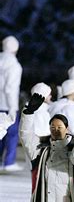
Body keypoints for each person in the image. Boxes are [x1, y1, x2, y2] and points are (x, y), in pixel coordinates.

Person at [19, 93, 74, 201]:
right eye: (52, 127)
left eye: (59, 127)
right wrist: (28, 114)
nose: (55, 130)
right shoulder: (42, 150)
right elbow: (26, 136)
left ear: (67, 128)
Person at [0, 35, 22, 171]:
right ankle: (9, 162)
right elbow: (10, 88)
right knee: (12, 134)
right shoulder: (14, 65)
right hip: (7, 105)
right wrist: (13, 107)